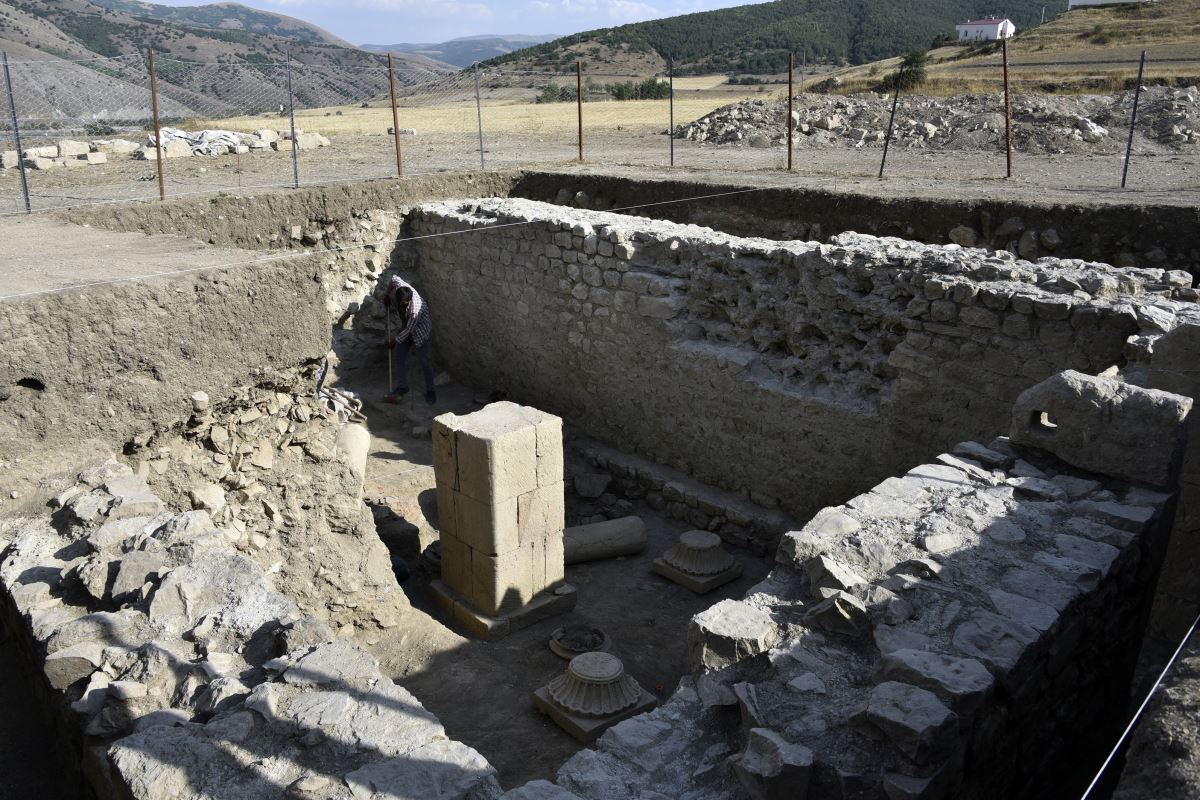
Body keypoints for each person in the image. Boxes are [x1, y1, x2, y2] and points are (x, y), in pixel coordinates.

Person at [382, 275, 436, 405]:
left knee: (425, 363)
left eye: (404, 303)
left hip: (421, 333)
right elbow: (394, 278)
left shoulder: (414, 310)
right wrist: (387, 294)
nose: (401, 305)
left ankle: (431, 391)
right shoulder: (401, 288)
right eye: (400, 302)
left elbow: (409, 330)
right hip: (407, 327)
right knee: (399, 356)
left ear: (409, 300)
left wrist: (394, 341)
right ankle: (403, 386)